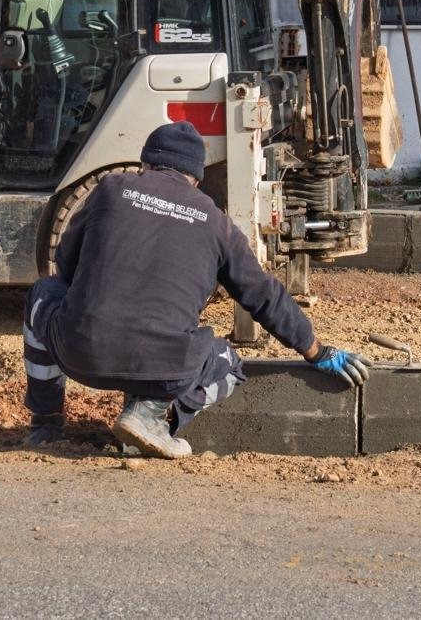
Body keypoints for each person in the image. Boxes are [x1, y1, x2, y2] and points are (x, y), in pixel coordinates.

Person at [21, 121, 371, 458]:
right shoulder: (217, 223)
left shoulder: (111, 189)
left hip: (79, 354)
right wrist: (317, 351)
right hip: (166, 369)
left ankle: (45, 425)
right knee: (229, 365)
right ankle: (152, 415)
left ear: (146, 163)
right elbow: (263, 295)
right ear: (196, 180)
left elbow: (64, 265)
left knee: (43, 293)